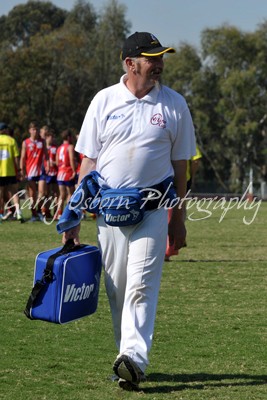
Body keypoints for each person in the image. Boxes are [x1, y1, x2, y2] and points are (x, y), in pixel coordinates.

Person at [61, 32, 196, 390]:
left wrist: (178, 218)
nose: (159, 64)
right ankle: (125, 358)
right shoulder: (104, 101)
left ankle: (134, 358)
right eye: (152, 58)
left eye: (161, 57)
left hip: (152, 213)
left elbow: (181, 167)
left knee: (140, 285)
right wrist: (73, 214)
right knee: (117, 288)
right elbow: (88, 162)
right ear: (130, 63)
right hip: (108, 214)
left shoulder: (174, 104)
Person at [165, 144, 202, 261]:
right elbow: (196, 161)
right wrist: (191, 175)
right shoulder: (187, 140)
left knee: (167, 214)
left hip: (164, 180)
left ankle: (169, 247)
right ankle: (170, 247)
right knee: (178, 213)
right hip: (182, 181)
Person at [20, 121, 49, 221]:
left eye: (36, 129)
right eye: (33, 129)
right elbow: (23, 158)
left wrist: (47, 165)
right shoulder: (26, 142)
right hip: (30, 171)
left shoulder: (42, 141)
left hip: (41, 171)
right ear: (29, 131)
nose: (35, 131)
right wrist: (22, 170)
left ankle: (40, 211)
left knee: (42, 192)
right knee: (32, 194)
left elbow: (46, 155)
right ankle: (34, 214)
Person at [0, 123, 23, 221]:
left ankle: (1, 214)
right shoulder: (11, 140)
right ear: (5, 130)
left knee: (0, 193)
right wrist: (18, 170)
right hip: (10, 171)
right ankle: (18, 212)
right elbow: (16, 157)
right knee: (14, 193)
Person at [55, 129, 76, 220]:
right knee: (70, 194)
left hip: (60, 173)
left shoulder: (59, 148)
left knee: (61, 195)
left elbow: (56, 162)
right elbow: (71, 159)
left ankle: (59, 213)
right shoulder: (70, 147)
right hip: (67, 172)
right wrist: (74, 171)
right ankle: (68, 213)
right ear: (68, 137)